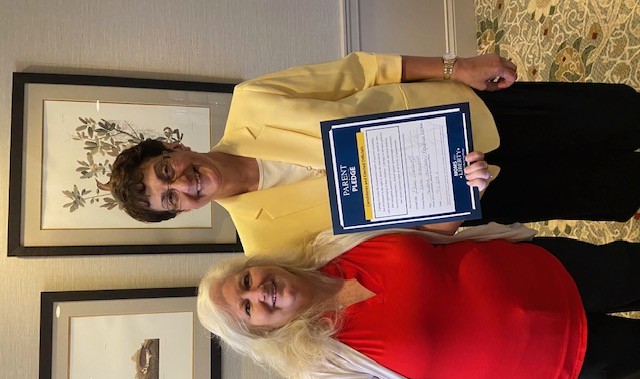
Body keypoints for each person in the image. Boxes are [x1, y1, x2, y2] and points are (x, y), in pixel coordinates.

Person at [108, 52, 640, 255]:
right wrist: (455, 211)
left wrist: (457, 66)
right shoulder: (266, 244)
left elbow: (364, 72)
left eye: (166, 171)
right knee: (612, 188)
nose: (183, 185)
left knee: (614, 115)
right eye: (170, 199)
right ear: (182, 212)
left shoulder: (253, 100)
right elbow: (388, 245)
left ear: (174, 147)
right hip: (473, 195)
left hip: (465, 113)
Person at [197, 219, 640, 379]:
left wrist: (463, 190)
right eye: (248, 309)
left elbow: (427, 233)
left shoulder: (332, 244)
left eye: (246, 281)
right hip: (559, 362)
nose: (260, 293)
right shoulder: (324, 370)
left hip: (550, 269)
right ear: (261, 333)